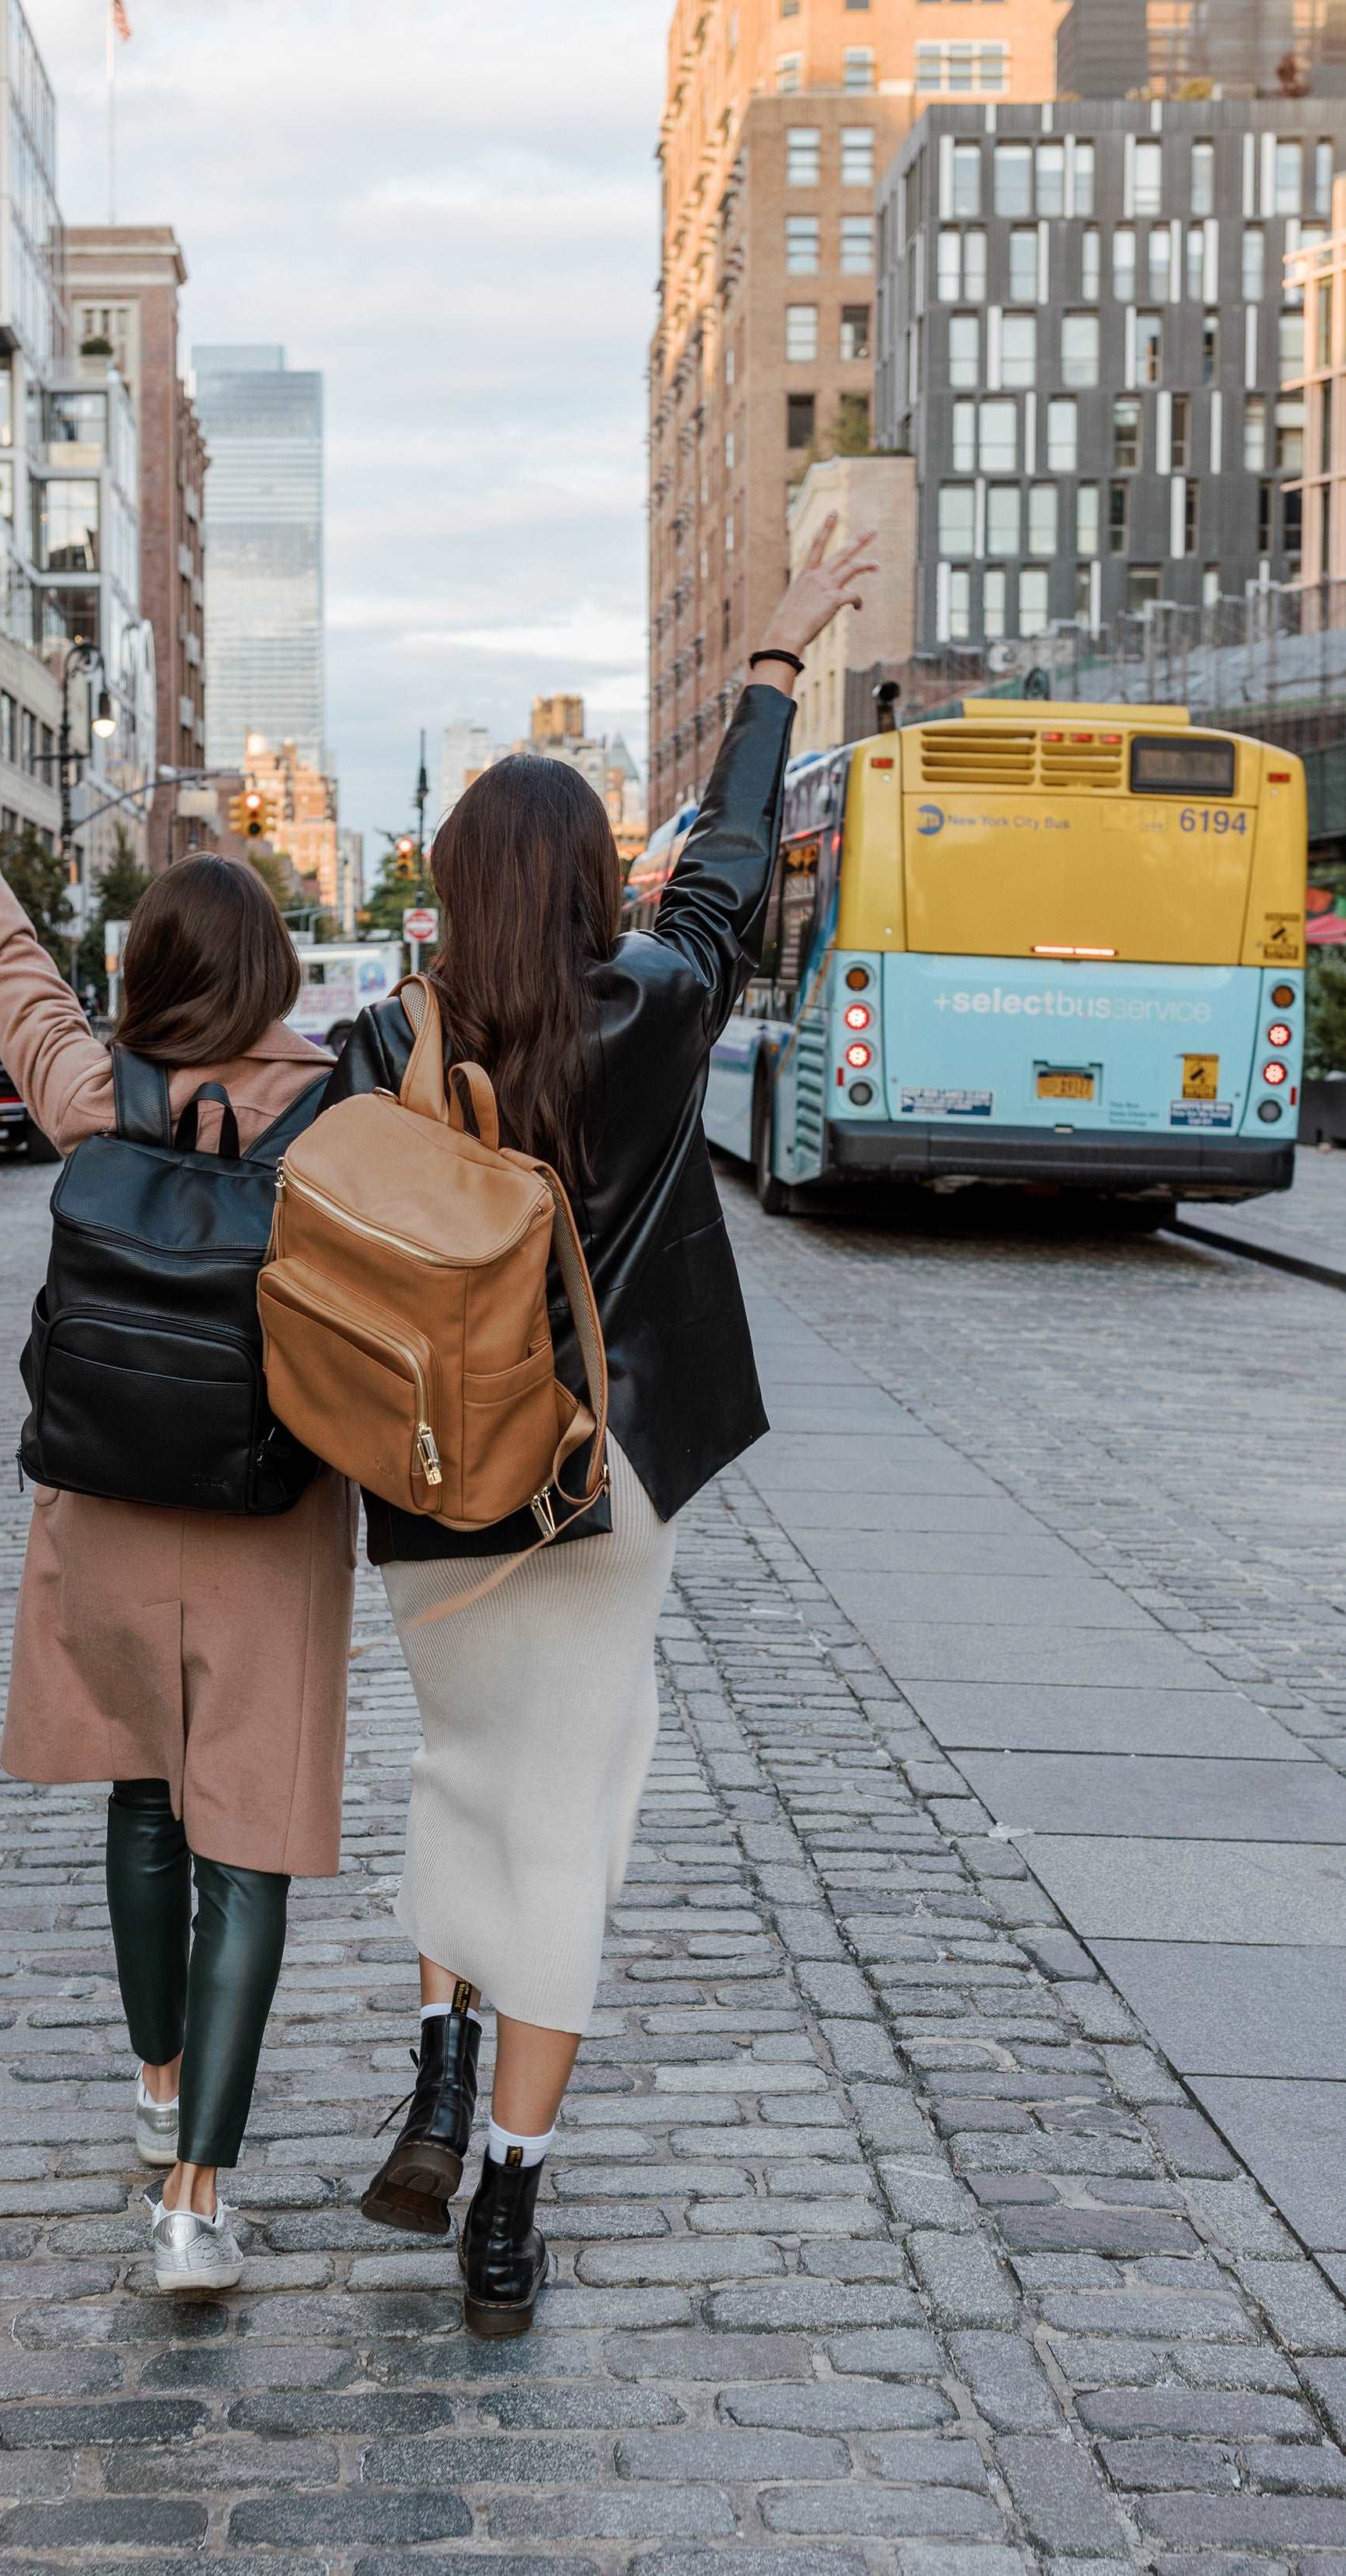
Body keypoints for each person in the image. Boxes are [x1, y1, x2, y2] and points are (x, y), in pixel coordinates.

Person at [328, 520, 878, 2337]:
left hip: (430, 1490)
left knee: (458, 1776)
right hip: (608, 1477)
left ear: (448, 882)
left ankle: (432, 2049)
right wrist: (777, 671)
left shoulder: (379, 1043)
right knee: (570, 1818)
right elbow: (724, 879)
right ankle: (508, 2198)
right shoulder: (642, 1010)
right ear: (581, 887)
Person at [0, 666, 357, 2297]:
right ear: (279, 966)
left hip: (102, 1508)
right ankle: (195, 2205)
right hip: (271, 1522)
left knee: (144, 1801)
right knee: (249, 1849)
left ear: (155, 967)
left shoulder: (92, 1090)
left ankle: (156, 2088)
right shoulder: (346, 1114)